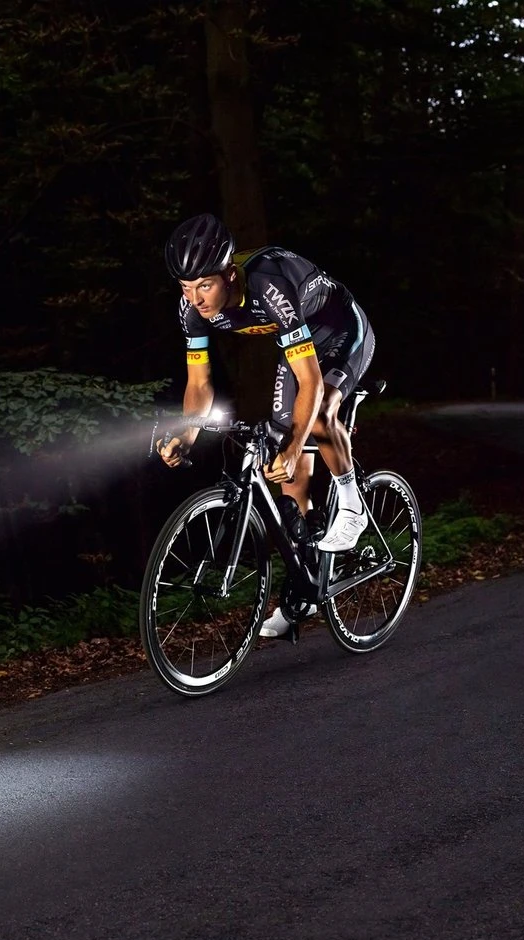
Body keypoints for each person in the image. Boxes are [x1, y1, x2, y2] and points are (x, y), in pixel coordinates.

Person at [156, 212, 376, 638]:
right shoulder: (192, 310)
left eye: (204, 286)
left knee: (317, 418)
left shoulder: (269, 286)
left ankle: (353, 507)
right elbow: (199, 383)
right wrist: (187, 433)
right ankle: (307, 584)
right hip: (298, 345)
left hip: (342, 331)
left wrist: (295, 447)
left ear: (228, 274)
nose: (195, 298)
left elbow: (311, 382)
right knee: (283, 465)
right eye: (185, 287)